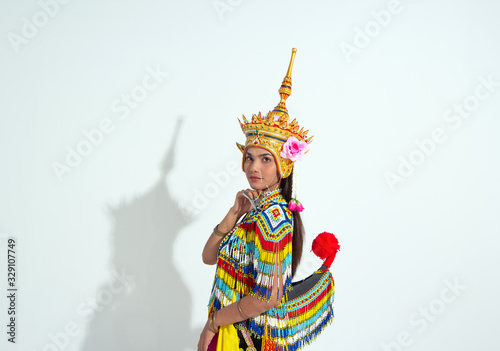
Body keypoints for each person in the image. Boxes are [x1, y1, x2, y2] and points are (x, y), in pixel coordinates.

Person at [198, 49, 338, 351]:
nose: (253, 168)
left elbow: (267, 298)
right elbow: (209, 258)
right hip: (230, 330)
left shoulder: (274, 218)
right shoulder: (254, 211)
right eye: (249, 158)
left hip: (244, 339)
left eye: (265, 159)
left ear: (284, 165)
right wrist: (233, 214)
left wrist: (213, 323)